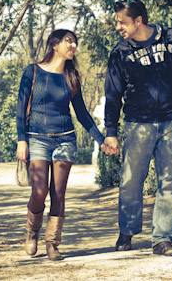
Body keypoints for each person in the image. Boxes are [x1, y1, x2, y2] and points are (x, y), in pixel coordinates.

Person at [102, 0, 172, 256]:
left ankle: (162, 238)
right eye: (117, 22)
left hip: (171, 120)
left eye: (123, 22)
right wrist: (111, 131)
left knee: (170, 181)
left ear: (138, 20)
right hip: (136, 123)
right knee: (131, 180)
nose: (119, 26)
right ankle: (127, 230)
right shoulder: (120, 52)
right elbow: (112, 94)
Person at [16, 29, 111, 261]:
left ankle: (52, 243)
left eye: (75, 43)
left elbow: (82, 114)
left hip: (65, 138)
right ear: (55, 44)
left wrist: (102, 139)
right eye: (69, 41)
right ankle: (32, 232)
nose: (73, 46)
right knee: (39, 191)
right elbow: (20, 109)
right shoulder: (33, 71)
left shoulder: (72, 77)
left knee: (58, 192)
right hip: (36, 137)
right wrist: (21, 140)